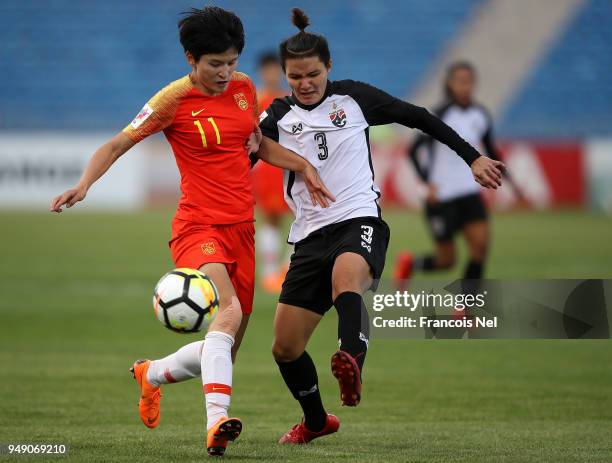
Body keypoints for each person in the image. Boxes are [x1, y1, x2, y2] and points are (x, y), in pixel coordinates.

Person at [49, 6, 333, 456]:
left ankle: (153, 374)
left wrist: (302, 166)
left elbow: (258, 145)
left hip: (242, 229)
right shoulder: (172, 101)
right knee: (229, 313)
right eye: (214, 64)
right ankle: (217, 423)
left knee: (224, 346)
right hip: (197, 226)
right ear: (190, 59)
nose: (225, 72)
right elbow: (118, 143)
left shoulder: (244, 89)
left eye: (231, 61)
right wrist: (84, 184)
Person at [258, 9, 504, 445]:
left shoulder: (354, 99)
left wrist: (473, 158)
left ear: (328, 68)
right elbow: (246, 153)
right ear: (286, 75)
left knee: (346, 281)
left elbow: (420, 117)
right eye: (295, 76)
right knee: (285, 347)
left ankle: (351, 359)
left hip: (358, 218)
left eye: (313, 73)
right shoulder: (276, 115)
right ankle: (316, 421)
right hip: (309, 236)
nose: (305, 83)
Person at [394, 61, 525, 288]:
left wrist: (513, 184)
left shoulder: (480, 114)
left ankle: (464, 307)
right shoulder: (440, 115)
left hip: (469, 191)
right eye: (460, 82)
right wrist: (427, 184)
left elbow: (490, 150)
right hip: (441, 196)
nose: (465, 87)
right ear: (450, 84)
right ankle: (411, 263)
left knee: (480, 248)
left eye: (469, 82)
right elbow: (414, 150)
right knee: (447, 261)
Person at [251, 52, 291, 293]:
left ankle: (287, 268)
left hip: (288, 166)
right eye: (268, 69)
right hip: (267, 170)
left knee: (304, 218)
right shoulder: (256, 100)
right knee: (272, 219)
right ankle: (269, 273)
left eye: (275, 69)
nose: (272, 74)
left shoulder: (288, 99)